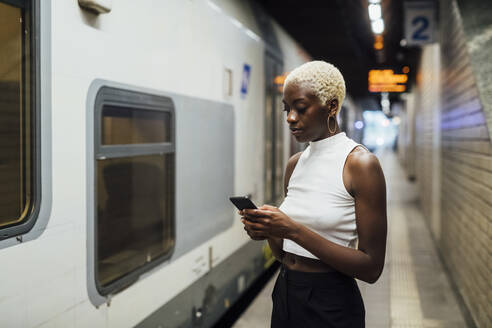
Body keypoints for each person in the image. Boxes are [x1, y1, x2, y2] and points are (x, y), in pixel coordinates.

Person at [240, 61, 387, 328]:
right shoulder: (295, 164)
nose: (290, 118)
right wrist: (269, 231)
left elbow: (371, 267)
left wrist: (293, 230)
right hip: (286, 292)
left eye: (300, 108)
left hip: (331, 303)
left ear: (332, 106)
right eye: (286, 109)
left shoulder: (360, 165)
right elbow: (284, 254)